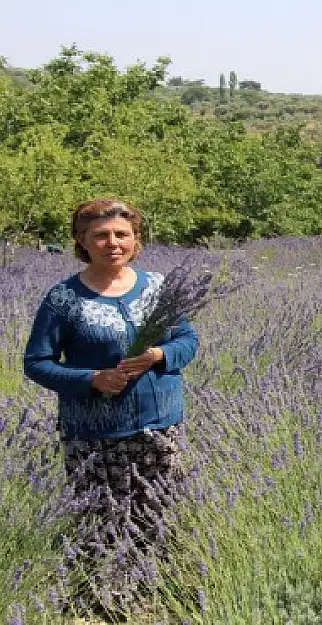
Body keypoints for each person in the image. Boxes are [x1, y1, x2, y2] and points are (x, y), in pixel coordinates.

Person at [23, 198, 199, 613]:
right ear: (82, 241)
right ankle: (104, 600)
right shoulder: (62, 298)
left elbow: (188, 341)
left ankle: (155, 592)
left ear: (136, 240)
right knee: (101, 518)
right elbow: (36, 363)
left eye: (122, 234)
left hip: (160, 425)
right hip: (94, 433)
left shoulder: (158, 288)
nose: (112, 243)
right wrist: (91, 379)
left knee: (157, 510)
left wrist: (159, 354)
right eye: (100, 235)